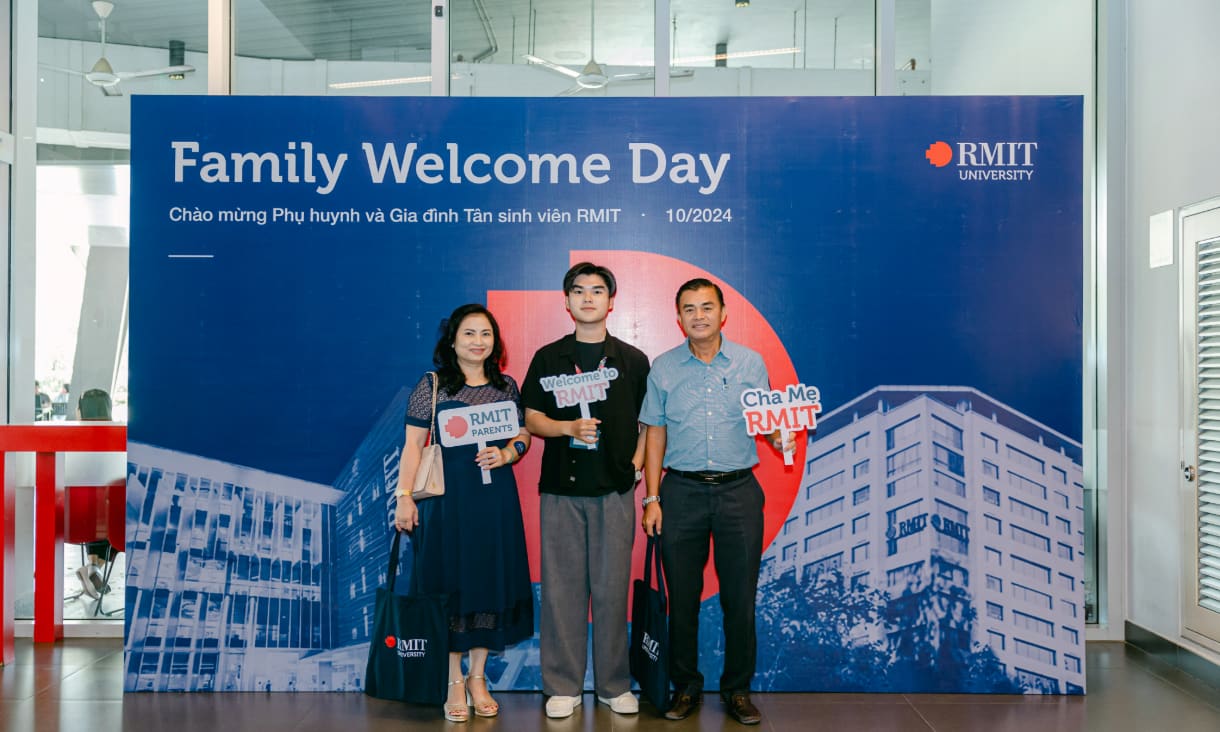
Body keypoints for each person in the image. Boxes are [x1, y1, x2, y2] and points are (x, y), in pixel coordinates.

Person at [639, 278, 793, 726]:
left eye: (707, 307)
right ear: (679, 317)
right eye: (689, 308)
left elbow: (765, 421)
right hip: (681, 492)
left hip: (738, 492)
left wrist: (778, 433)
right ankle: (685, 686)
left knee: (740, 599)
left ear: (723, 313)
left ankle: (738, 690)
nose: (699, 315)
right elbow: (655, 433)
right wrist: (651, 497)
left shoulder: (750, 362)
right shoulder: (663, 368)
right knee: (682, 599)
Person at [392, 304, 533, 723]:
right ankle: (453, 679)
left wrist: (509, 453)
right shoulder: (432, 386)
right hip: (446, 503)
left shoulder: (506, 385)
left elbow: (523, 432)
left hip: (495, 503)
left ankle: (477, 676)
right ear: (452, 340)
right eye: (469, 333)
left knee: (489, 582)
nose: (478, 342)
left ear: (496, 341)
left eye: (486, 333)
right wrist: (404, 496)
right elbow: (413, 446)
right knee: (450, 584)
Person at [520, 262, 650, 719]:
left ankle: (614, 685)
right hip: (560, 492)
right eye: (579, 291)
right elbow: (530, 417)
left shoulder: (632, 361)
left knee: (613, 593)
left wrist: (635, 468)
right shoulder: (548, 357)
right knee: (561, 593)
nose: (588, 298)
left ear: (611, 301)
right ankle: (562, 686)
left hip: (614, 493)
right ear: (567, 300)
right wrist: (566, 426)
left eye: (598, 291)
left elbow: (650, 424)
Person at [74, 388, 116, 600]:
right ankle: (93, 569)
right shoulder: (117, 440)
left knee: (95, 503)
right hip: (108, 523)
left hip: (70, 521)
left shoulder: (70, 438)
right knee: (112, 508)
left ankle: (93, 569)